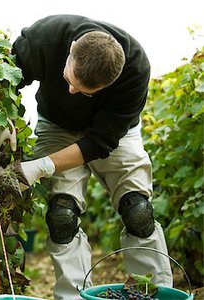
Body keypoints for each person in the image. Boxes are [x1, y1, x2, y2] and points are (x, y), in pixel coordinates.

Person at [12, 15, 173, 299]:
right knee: (62, 215)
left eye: (85, 93)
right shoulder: (44, 39)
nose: (72, 92)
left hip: (113, 134)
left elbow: (100, 142)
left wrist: (43, 165)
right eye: (69, 81)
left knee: (138, 211)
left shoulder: (135, 69)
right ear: (71, 48)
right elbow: (4, 80)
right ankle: (75, 296)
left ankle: (152, 292)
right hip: (57, 125)